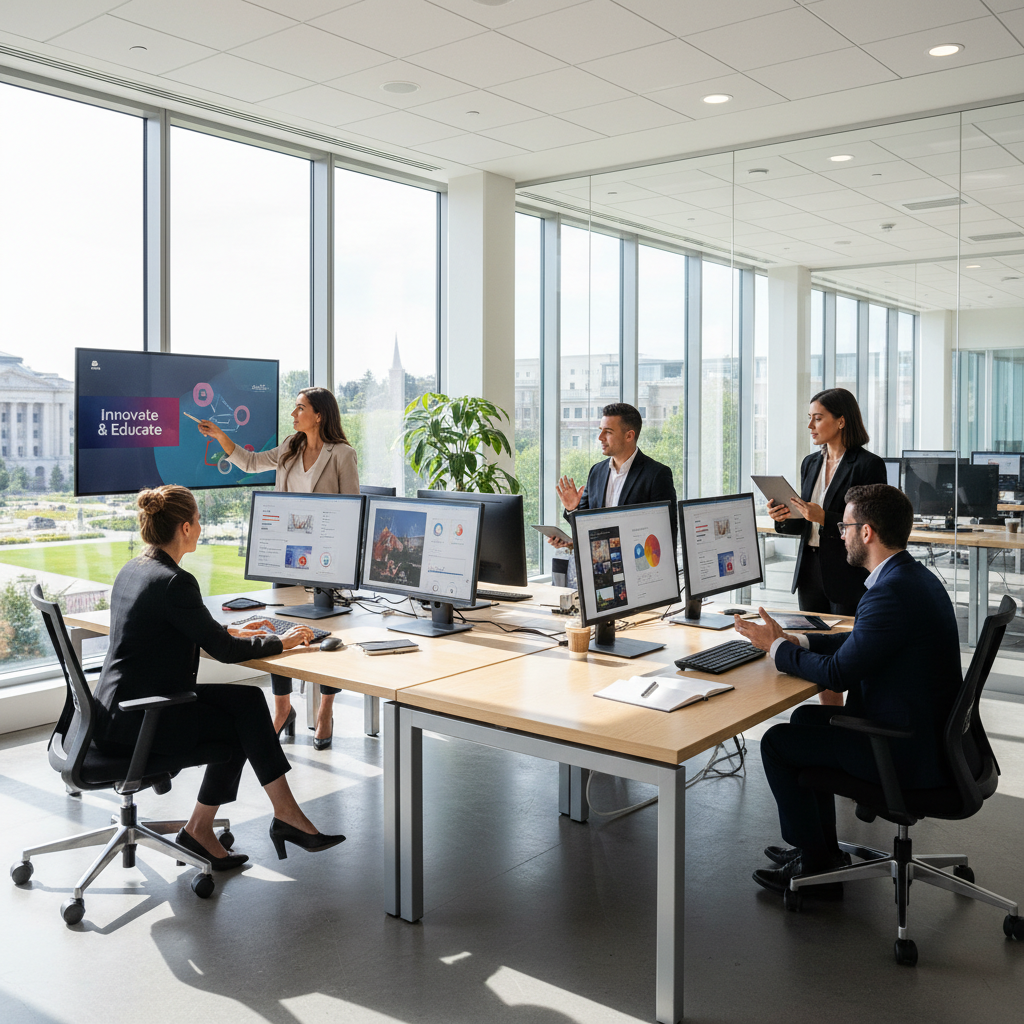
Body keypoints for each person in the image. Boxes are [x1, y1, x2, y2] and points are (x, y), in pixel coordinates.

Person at [93, 486, 346, 868]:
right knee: (238, 725)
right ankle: (258, 821)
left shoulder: (137, 568)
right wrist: (282, 641)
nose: (201, 527)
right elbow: (225, 654)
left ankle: (266, 819)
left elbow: (197, 633)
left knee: (247, 703)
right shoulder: (175, 582)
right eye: (198, 521)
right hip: (142, 719)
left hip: (115, 712)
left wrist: (240, 632)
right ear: (185, 527)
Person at [734, 483, 963, 900]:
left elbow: (839, 674)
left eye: (846, 526)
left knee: (778, 742)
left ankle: (816, 865)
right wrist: (797, 641)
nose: (840, 533)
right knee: (805, 719)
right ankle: (820, 851)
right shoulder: (908, 576)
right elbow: (861, 644)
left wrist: (777, 648)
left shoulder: (890, 592)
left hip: (902, 750)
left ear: (868, 533)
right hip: (925, 733)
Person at [199, 387, 357, 749]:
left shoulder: (341, 454)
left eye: (300, 408)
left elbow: (353, 507)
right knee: (279, 626)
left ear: (319, 415)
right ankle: (283, 709)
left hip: (326, 557)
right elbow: (252, 463)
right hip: (287, 553)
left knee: (328, 633)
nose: (293, 414)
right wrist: (222, 435)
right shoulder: (290, 447)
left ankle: (324, 712)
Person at [767, 388, 886, 707]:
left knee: (848, 651)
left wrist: (825, 517)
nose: (811, 426)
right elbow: (802, 523)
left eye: (818, 418)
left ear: (842, 421)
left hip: (847, 570)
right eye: (809, 418)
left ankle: (857, 715)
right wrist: (783, 518)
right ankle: (830, 717)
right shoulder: (810, 463)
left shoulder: (868, 465)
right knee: (817, 647)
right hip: (810, 570)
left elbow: (870, 525)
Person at [551, 404, 678, 578]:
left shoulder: (657, 474)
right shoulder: (596, 471)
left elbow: (665, 534)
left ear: (629, 435)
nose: (600, 437)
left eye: (608, 432)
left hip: (638, 574)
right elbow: (588, 527)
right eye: (600, 430)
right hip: (599, 572)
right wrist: (573, 510)